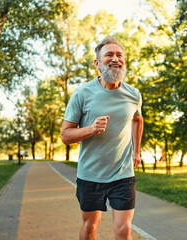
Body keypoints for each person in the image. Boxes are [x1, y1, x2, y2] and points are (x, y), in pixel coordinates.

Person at [61, 37, 143, 240]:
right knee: (90, 226)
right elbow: (65, 135)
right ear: (97, 63)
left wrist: (136, 151)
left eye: (120, 55)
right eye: (109, 54)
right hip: (90, 175)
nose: (116, 58)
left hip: (122, 174)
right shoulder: (82, 93)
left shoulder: (133, 94)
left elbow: (137, 120)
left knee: (123, 230)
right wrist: (90, 128)